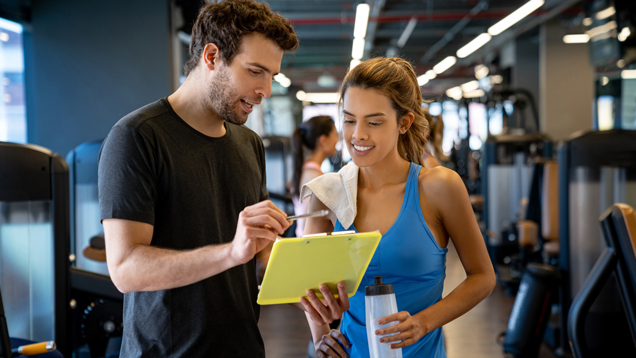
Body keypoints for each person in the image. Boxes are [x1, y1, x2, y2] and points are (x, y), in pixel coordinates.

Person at [97, 1, 299, 357]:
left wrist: (308, 288)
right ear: (211, 56)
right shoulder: (136, 137)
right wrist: (230, 253)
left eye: (272, 75)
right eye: (255, 71)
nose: (265, 90)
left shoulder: (249, 143)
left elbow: (259, 257)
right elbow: (126, 268)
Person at [299, 57, 496, 358]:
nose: (358, 135)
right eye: (349, 120)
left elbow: (483, 277)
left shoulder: (439, 187)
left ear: (403, 123)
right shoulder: (328, 193)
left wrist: (423, 322)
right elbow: (313, 289)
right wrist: (321, 338)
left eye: (374, 122)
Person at [291, 115, 339, 237]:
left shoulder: (305, 171)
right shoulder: (316, 178)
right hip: (309, 245)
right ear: (323, 140)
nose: (337, 140)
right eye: (335, 135)